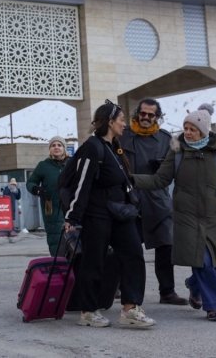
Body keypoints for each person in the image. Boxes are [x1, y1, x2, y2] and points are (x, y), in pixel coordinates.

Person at [133, 109, 216, 322]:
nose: (187, 132)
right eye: (185, 128)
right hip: (186, 216)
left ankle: (194, 285)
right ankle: (213, 306)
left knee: (215, 262)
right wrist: (132, 180)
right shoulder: (177, 153)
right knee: (202, 262)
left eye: (192, 129)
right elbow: (160, 180)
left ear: (203, 131)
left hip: (213, 215)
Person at [63, 100, 156, 328]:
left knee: (134, 253)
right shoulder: (92, 147)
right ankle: (88, 310)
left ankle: (130, 308)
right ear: (110, 122)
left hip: (120, 213)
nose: (125, 124)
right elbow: (81, 185)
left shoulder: (114, 147)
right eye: (122, 120)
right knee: (94, 261)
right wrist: (73, 217)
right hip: (97, 215)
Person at [119, 97, 188, 305]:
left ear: (158, 116)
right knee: (127, 248)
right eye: (143, 113)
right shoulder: (122, 136)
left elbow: (179, 170)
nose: (146, 117)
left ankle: (167, 292)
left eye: (151, 114)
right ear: (137, 114)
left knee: (166, 247)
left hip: (158, 202)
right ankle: (120, 288)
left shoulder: (167, 140)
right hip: (129, 200)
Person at [26, 136, 68, 255]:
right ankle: (58, 263)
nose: (56, 148)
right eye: (53, 145)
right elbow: (30, 182)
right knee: (55, 237)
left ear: (64, 148)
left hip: (69, 205)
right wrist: (36, 189)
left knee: (73, 236)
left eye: (59, 145)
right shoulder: (43, 165)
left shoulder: (71, 164)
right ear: (50, 149)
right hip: (50, 206)